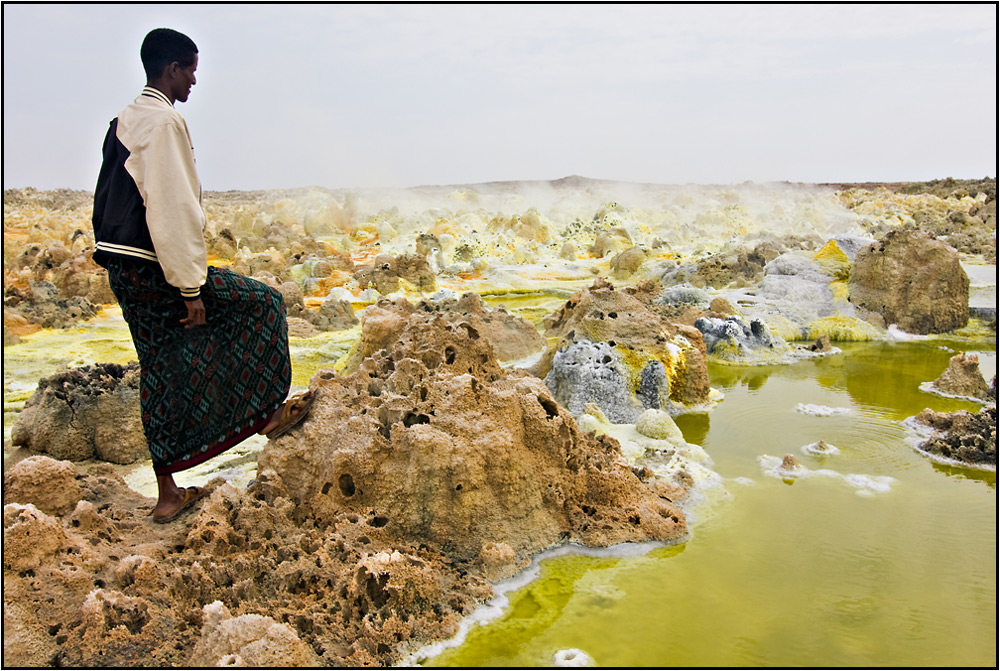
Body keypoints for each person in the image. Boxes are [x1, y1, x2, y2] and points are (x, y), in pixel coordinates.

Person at [92, 28, 315, 523]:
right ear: (171, 68)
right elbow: (172, 209)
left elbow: (107, 202)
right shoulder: (164, 121)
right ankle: (268, 415)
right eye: (190, 69)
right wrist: (191, 289)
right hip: (154, 269)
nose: (194, 79)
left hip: (124, 269)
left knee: (160, 366)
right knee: (261, 305)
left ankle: (168, 492)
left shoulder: (123, 121)